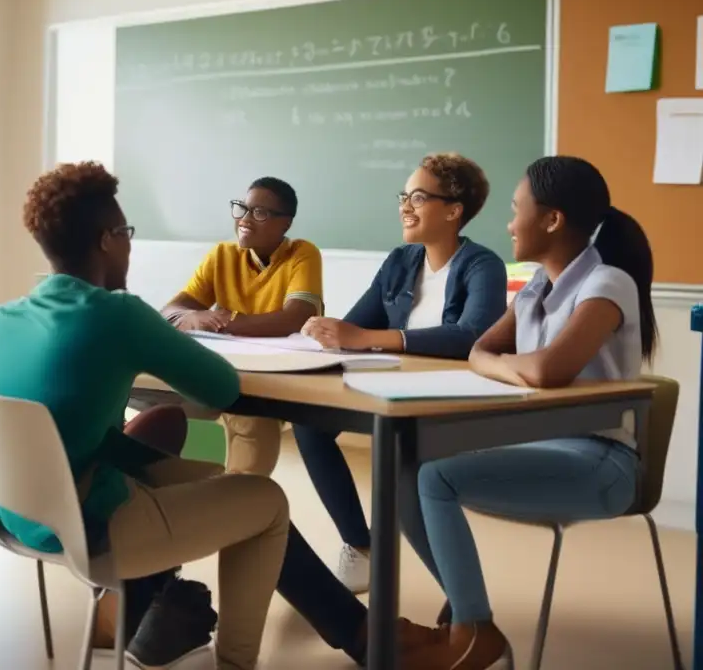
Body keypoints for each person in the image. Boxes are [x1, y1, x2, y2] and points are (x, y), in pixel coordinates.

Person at [0, 163, 417, 669]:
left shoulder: (0, 321)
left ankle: (358, 634)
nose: (130, 245)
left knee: (215, 478)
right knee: (266, 499)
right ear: (106, 241)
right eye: (126, 233)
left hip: (16, 513)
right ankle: (242, 660)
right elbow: (221, 389)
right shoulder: (118, 314)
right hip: (87, 522)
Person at [398, 156, 656, 670]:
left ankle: (473, 635)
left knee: (437, 478)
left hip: (603, 463)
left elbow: (548, 371)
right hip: (541, 445)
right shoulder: (536, 285)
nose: (510, 223)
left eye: (518, 210)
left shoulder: (608, 284)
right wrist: (522, 365)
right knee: (404, 464)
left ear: (553, 220)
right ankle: (469, 623)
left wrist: (516, 365)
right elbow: (480, 352)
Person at [295, 152, 507, 594]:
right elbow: (356, 325)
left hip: (452, 400)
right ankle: (360, 545)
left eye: (418, 196)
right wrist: (328, 331)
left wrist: (373, 338)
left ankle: (461, 604)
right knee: (308, 425)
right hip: (393, 390)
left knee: (405, 478)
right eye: (404, 195)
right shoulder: (399, 260)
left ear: (453, 211)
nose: (404, 206)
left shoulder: (482, 265)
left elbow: (472, 337)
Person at [161, 177, 323, 476]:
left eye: (260, 213)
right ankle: (186, 495)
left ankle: (240, 507)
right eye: (242, 209)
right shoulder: (222, 255)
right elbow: (170, 310)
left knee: (250, 451)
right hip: (222, 371)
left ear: (285, 224)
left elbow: (295, 317)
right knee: (172, 415)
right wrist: (190, 317)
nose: (246, 220)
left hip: (271, 379)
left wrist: (225, 321)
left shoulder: (302, 253)